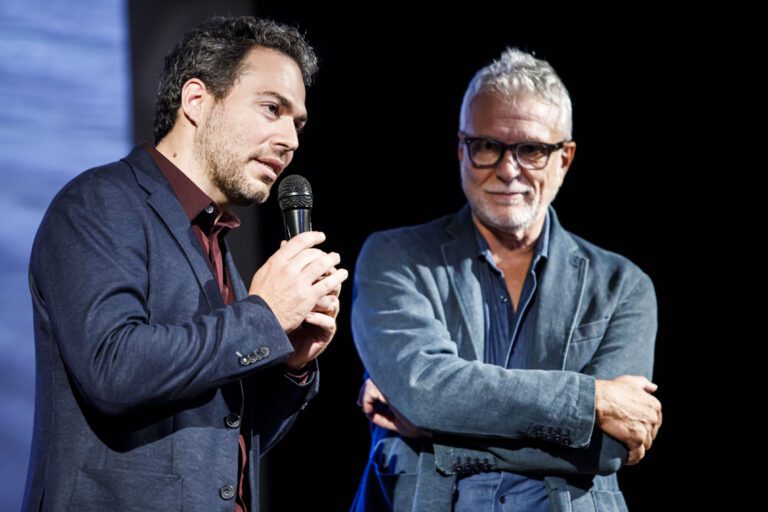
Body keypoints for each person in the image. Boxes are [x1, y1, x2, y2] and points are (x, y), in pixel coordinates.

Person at [22, 16, 348, 512]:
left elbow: (226, 437)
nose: (291, 140)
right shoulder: (100, 203)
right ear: (196, 100)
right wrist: (263, 316)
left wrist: (290, 361)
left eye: (297, 123)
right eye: (272, 109)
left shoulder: (212, 238)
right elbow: (114, 368)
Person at [351, 48, 662, 512]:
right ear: (461, 149)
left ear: (565, 159)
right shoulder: (394, 258)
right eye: (486, 146)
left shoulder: (624, 285)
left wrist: (440, 434)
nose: (508, 169)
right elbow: (423, 392)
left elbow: (610, 447)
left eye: (532, 150)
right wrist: (590, 401)